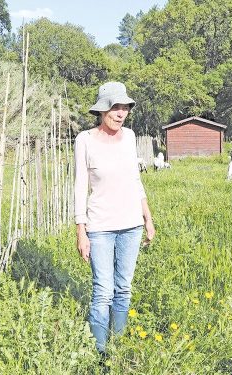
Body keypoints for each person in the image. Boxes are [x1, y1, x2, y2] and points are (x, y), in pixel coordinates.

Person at [74, 81, 156, 353]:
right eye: (115, 108)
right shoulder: (85, 140)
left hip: (131, 224)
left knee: (124, 288)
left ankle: (117, 348)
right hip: (100, 227)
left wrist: (147, 216)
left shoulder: (130, 137)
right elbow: (79, 186)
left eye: (125, 108)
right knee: (103, 291)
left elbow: (135, 179)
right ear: (102, 110)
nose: (121, 113)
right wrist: (80, 231)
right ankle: (100, 353)